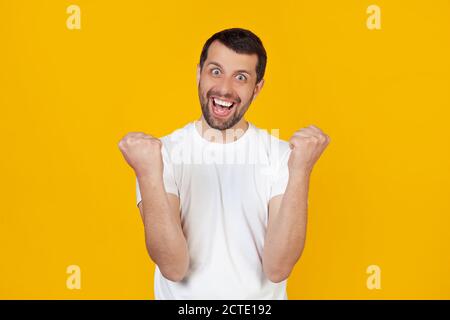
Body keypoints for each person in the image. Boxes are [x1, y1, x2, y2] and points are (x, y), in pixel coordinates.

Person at [118, 28, 330, 299]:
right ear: (199, 73)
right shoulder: (159, 155)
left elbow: (278, 268)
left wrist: (301, 170)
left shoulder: (283, 157)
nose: (225, 89)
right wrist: (148, 174)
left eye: (240, 77)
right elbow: (173, 266)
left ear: (257, 88)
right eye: (215, 71)